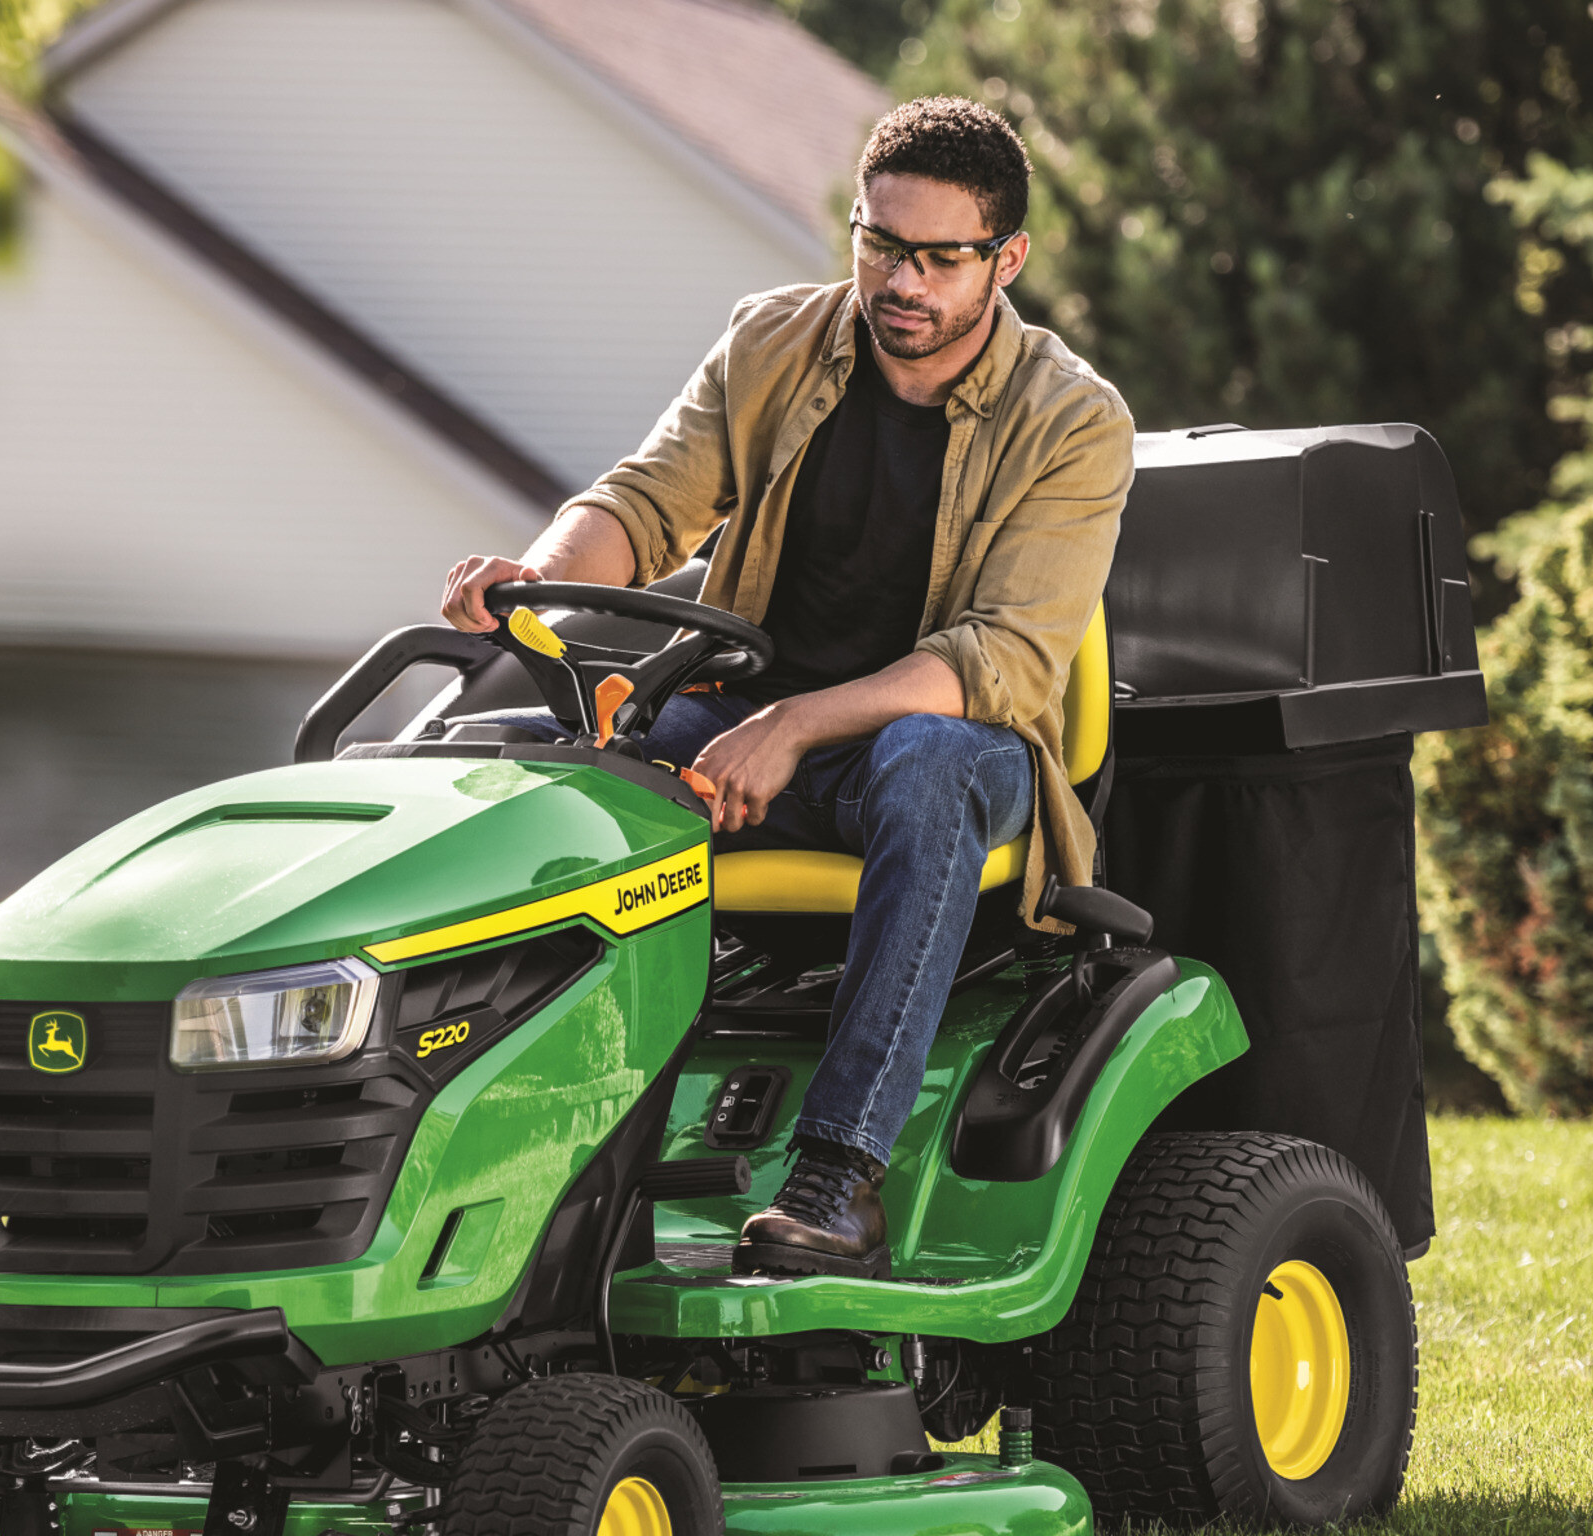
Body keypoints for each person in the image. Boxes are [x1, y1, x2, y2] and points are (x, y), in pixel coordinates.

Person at [439, 97, 1133, 1279]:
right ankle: (497, 1149)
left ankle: (838, 1175)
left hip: (948, 748)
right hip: (744, 712)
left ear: (1004, 261)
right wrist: (539, 585)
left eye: (936, 258)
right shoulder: (773, 345)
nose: (898, 280)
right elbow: (646, 504)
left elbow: (997, 664)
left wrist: (792, 727)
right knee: (495, 757)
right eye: (877, 243)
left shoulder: (1075, 422)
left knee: (924, 769)